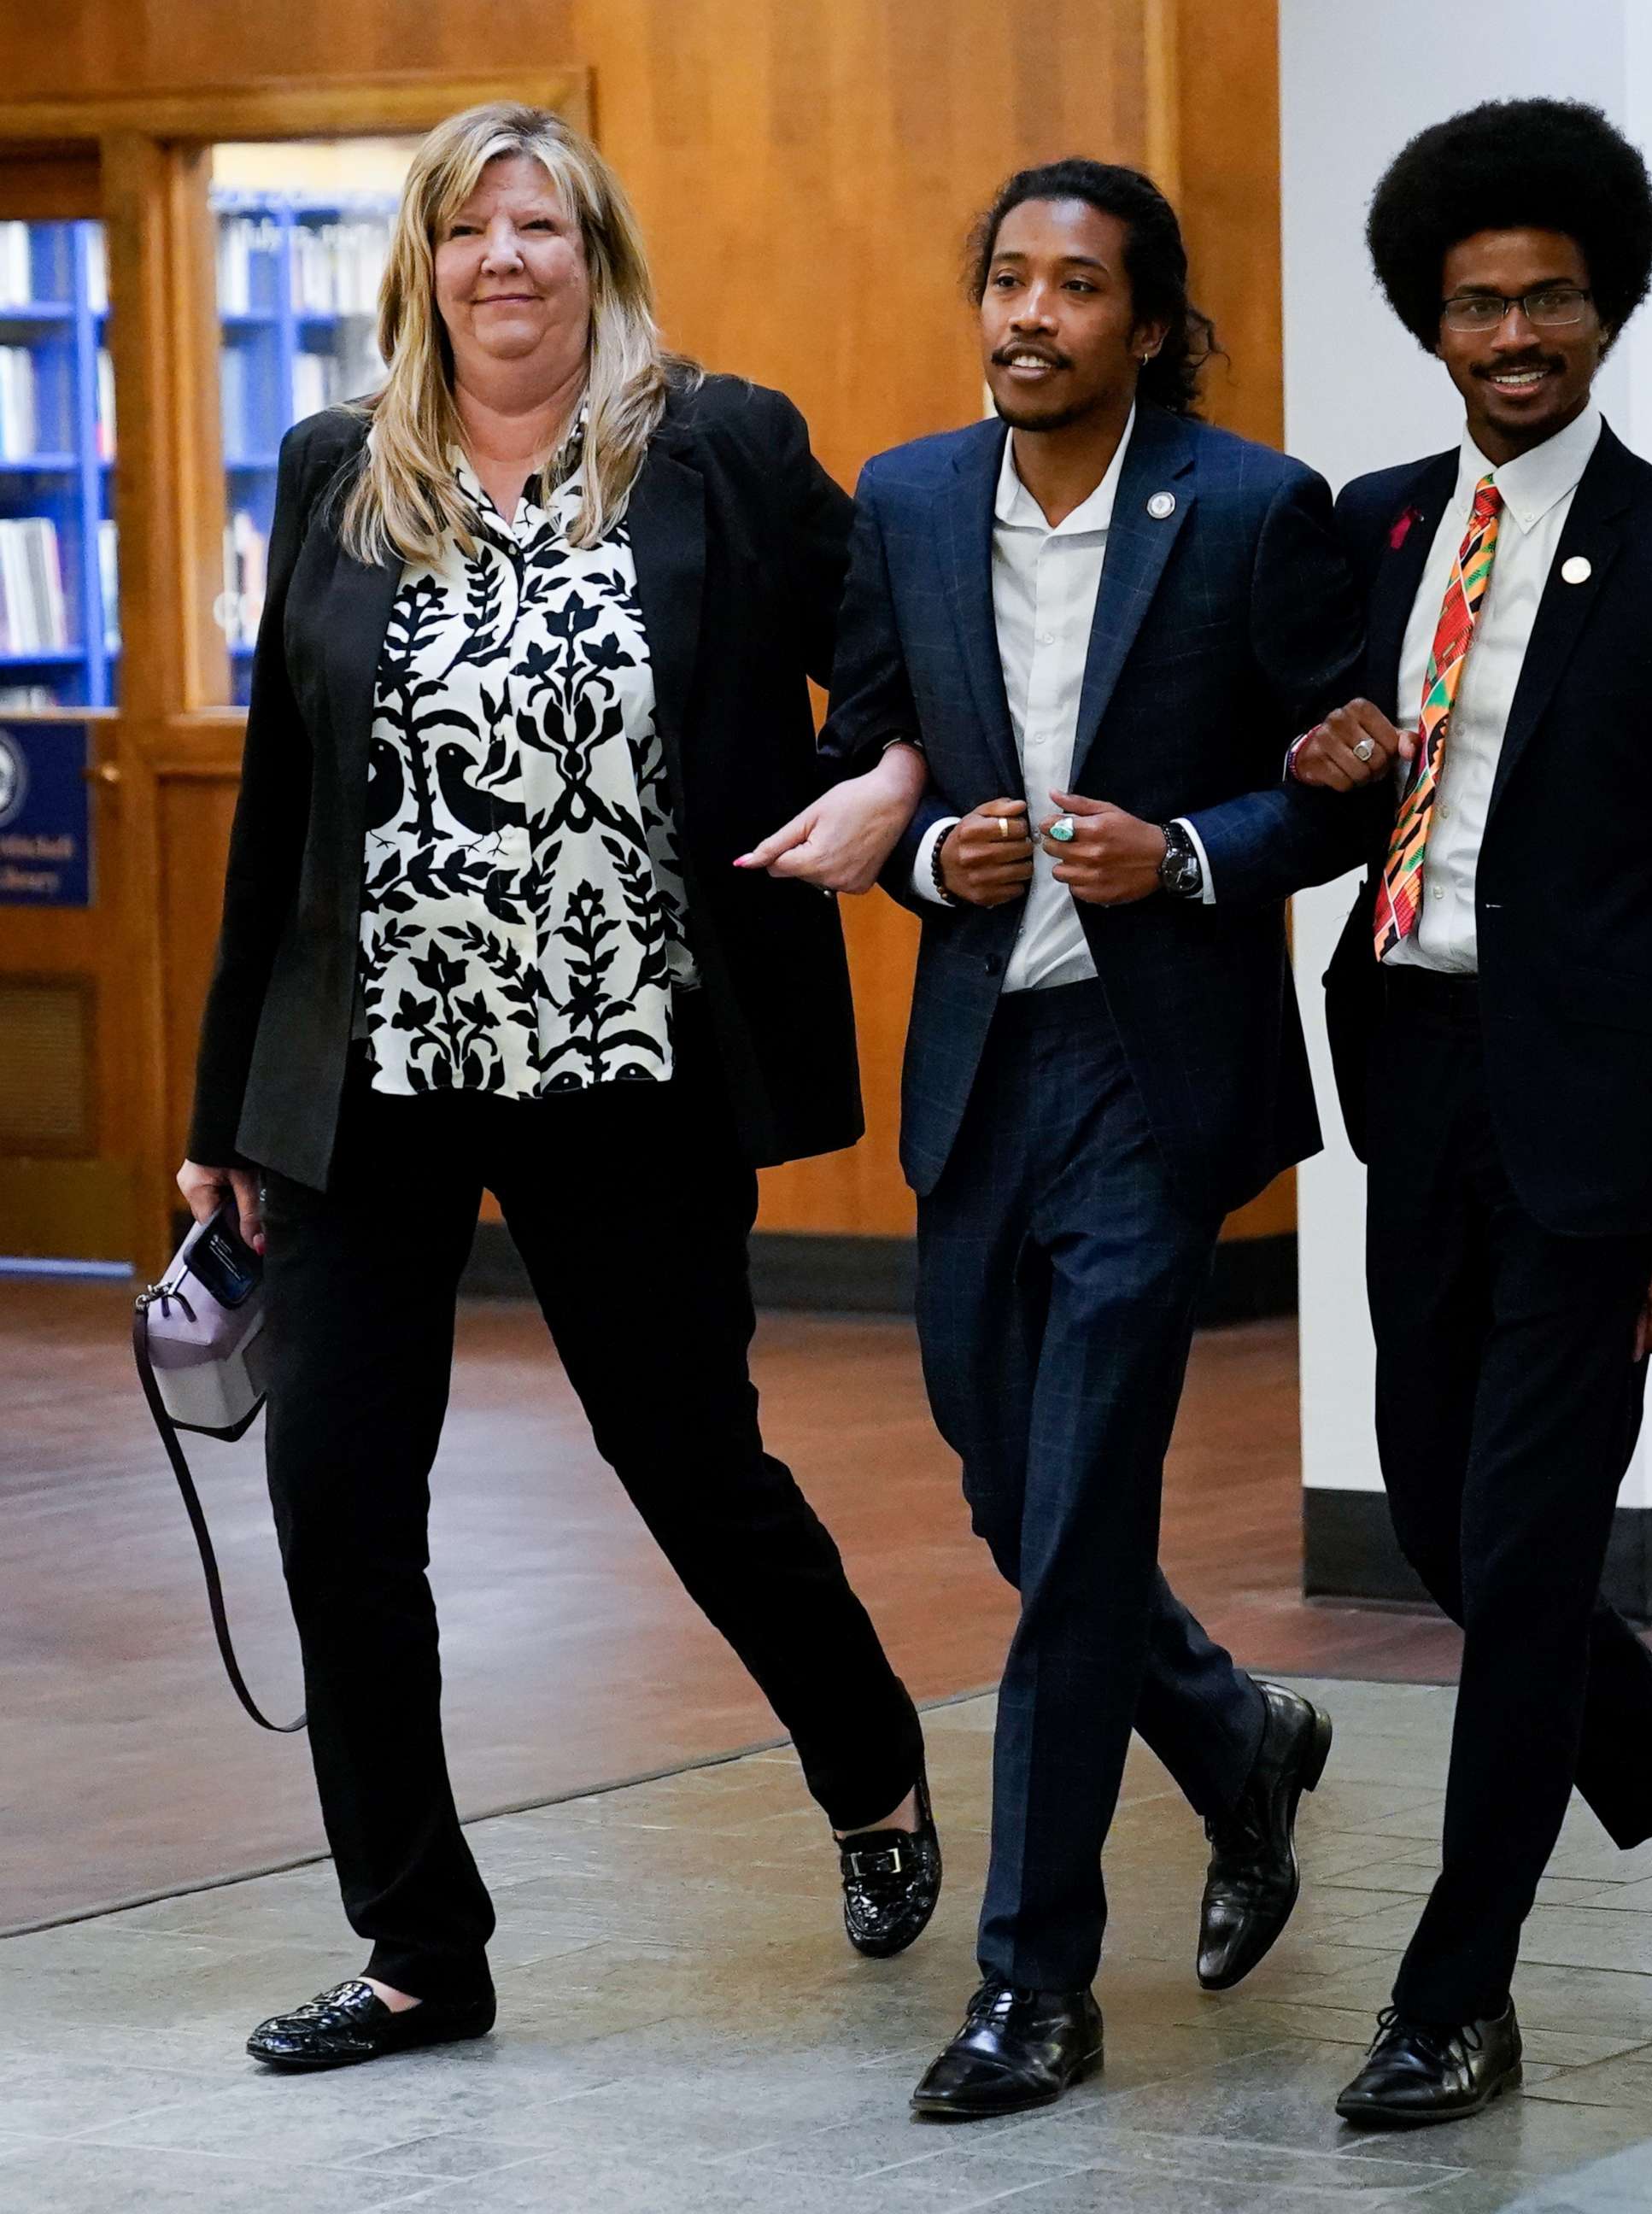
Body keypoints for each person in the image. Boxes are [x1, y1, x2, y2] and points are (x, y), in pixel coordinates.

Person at [178, 101, 943, 2073]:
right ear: (420, 263)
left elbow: (899, 634)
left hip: (625, 1055)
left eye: (541, 224)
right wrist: (221, 1107)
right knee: (338, 1496)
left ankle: (867, 1768)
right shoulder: (341, 467)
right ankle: (422, 1948)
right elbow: (285, 808)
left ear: (593, 250)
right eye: (466, 227)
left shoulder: (719, 447)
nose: (504, 259)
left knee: (689, 1467)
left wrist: (882, 775)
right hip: (373, 1075)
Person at [757, 157, 1391, 2118]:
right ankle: (1231, 1740)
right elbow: (866, 748)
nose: (1030, 315)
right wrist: (927, 855)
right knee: (997, 1476)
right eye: (1008, 281)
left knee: (1084, 1504)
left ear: (1145, 320)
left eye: (1075, 287)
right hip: (982, 1062)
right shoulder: (911, 497)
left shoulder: (1254, 509)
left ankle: (1034, 1984)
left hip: (1151, 1072)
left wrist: (1194, 850)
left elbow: (1349, 779)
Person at [1294, 99, 1652, 2128]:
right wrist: (1331, 765)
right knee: (1438, 1517)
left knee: (1515, 1556)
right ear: (1429, 324)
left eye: (1547, 300)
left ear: (1604, 308)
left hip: (1592, 1136)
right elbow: (1334, 789)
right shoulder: (1376, 527)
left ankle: (1454, 1992)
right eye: (1474, 305)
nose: (1512, 335)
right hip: (1410, 1081)